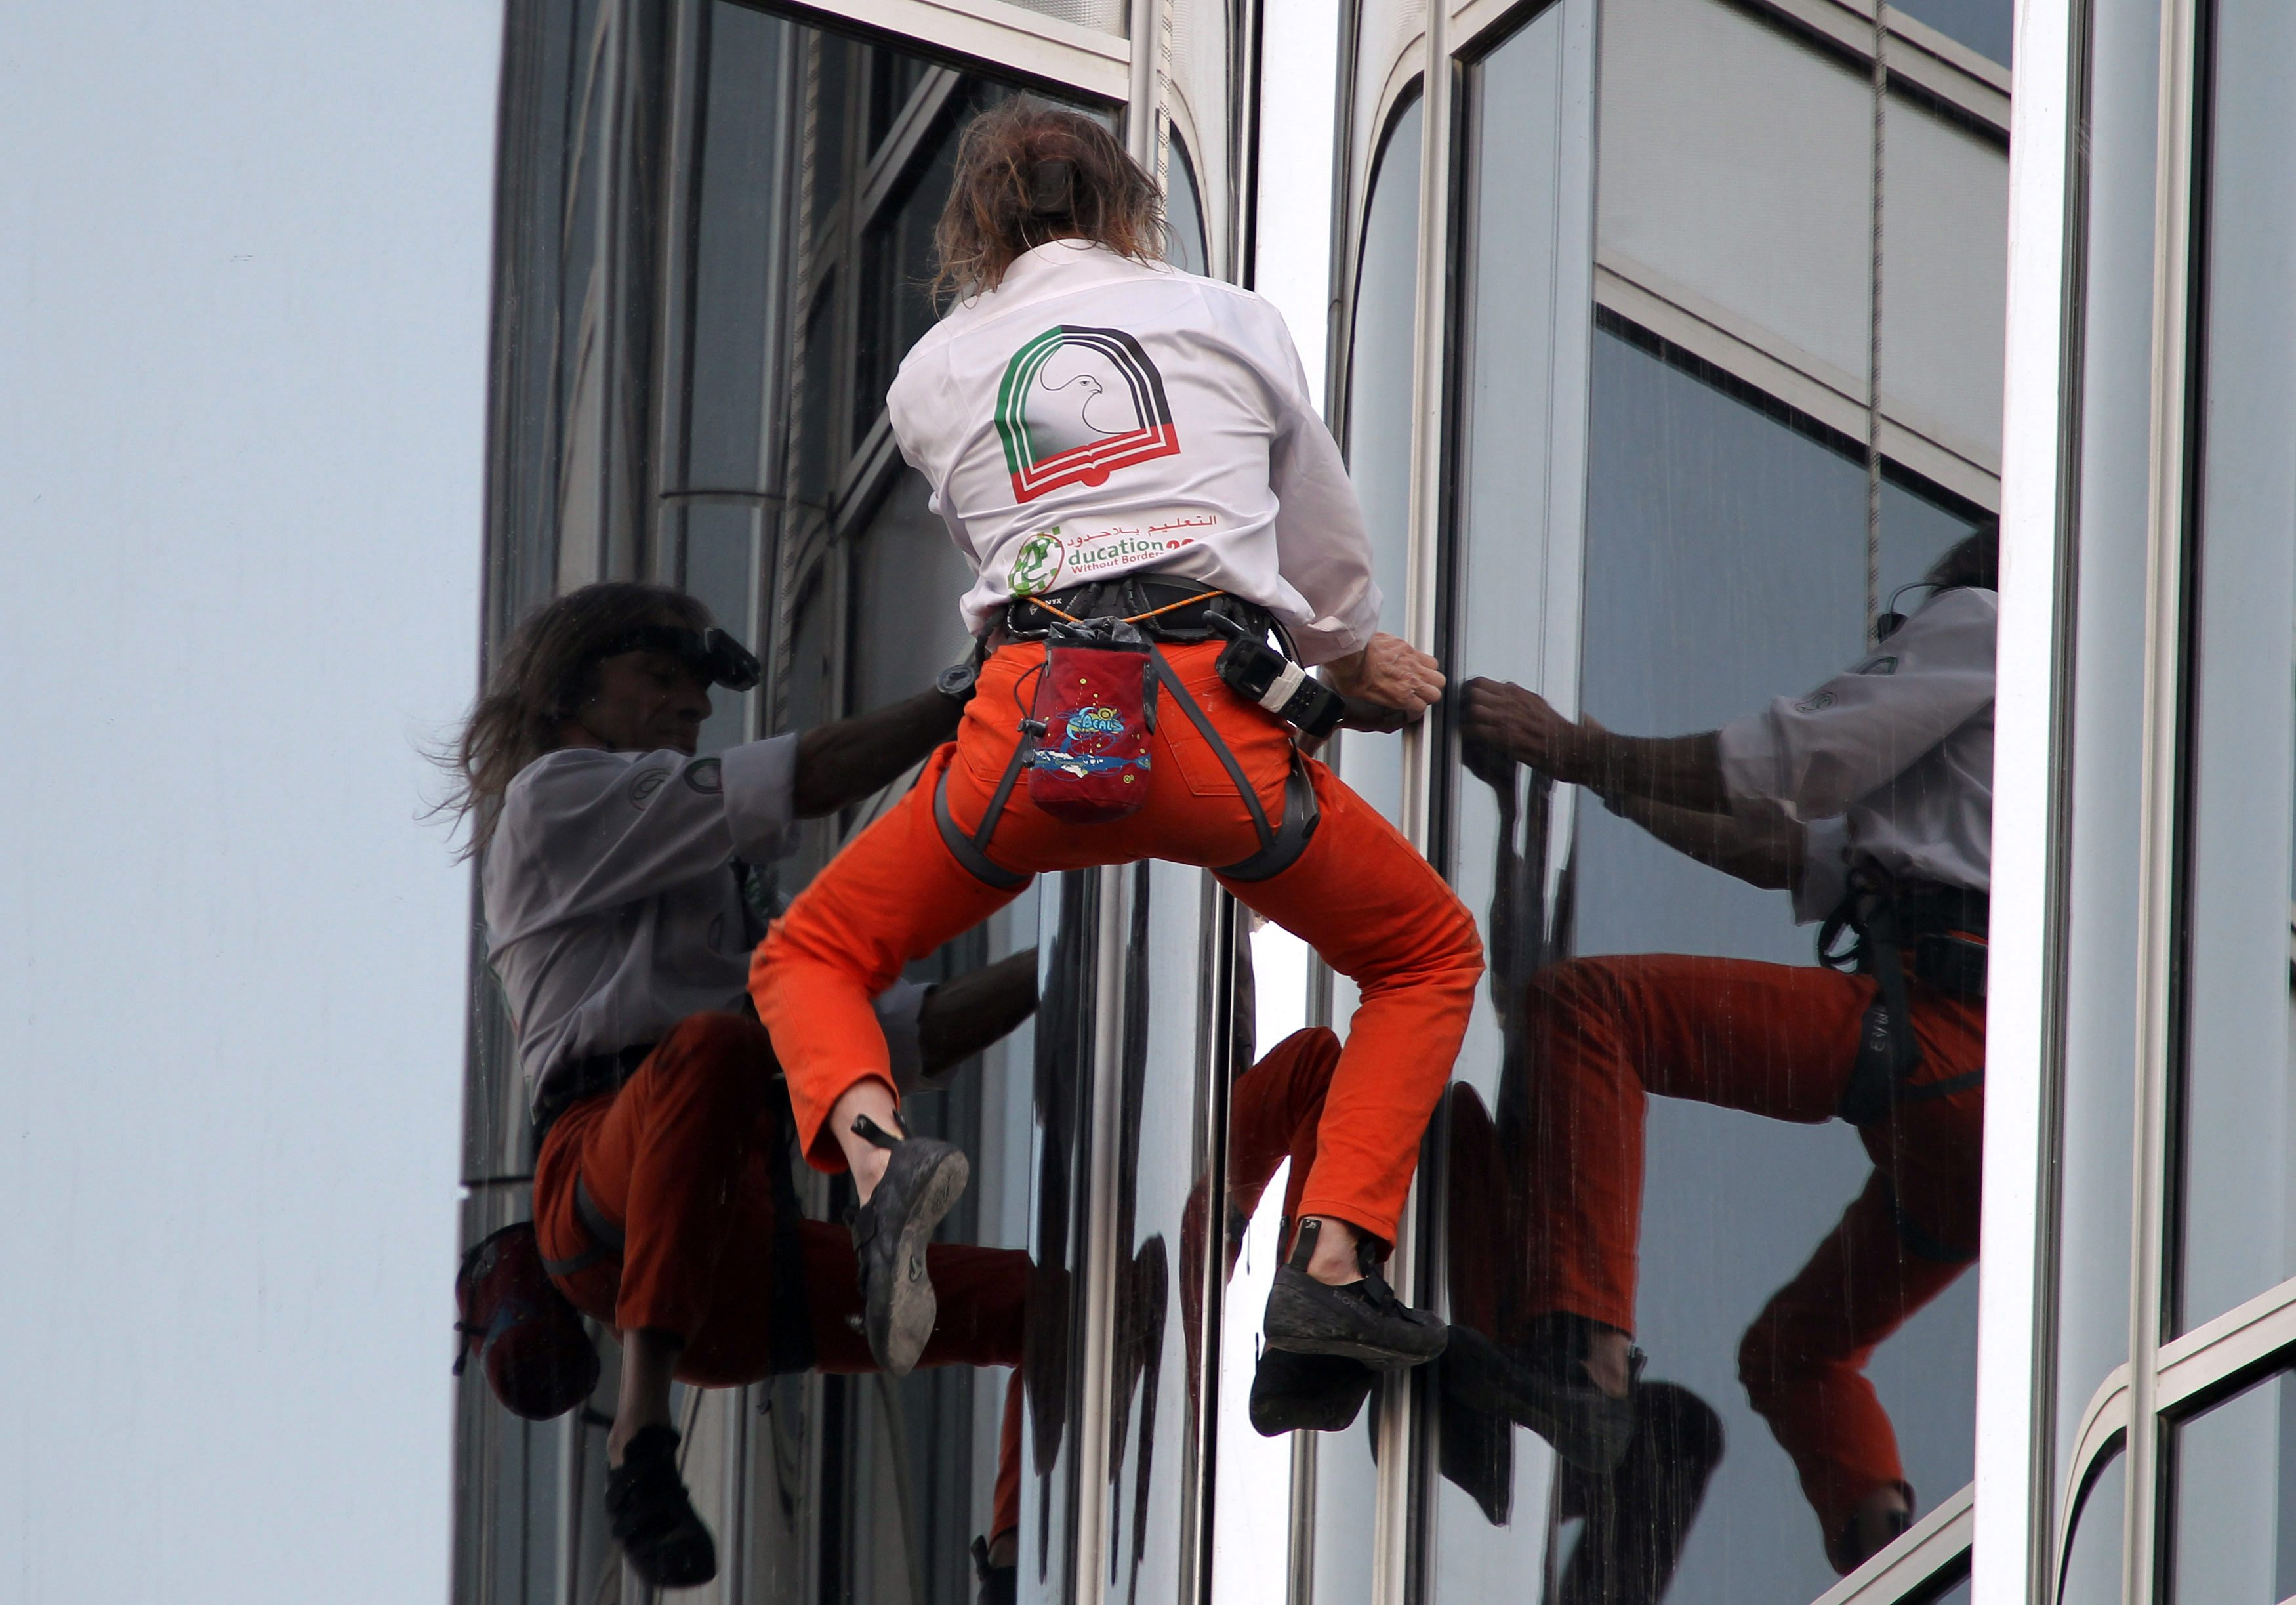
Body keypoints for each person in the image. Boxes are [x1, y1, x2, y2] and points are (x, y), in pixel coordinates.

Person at [747, 100, 1483, 1387]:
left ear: (977, 233)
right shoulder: (1226, 316)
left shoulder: (928, 376)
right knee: (1422, 952)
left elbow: (999, 525)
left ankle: (878, 1156)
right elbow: (1322, 546)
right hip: (1216, 723)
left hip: (1028, 732)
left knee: (812, 950)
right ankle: (1330, 1271)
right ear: (1125, 203)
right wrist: (1352, 653)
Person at [445, 581, 1040, 1592]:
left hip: (728, 1253)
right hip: (602, 1179)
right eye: (661, 678)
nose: (693, 705)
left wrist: (1063, 965)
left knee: (1042, 1310)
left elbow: (896, 1032)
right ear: (568, 696)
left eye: (696, 686)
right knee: (713, 1052)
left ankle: (1011, 1554)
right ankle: (640, 1425)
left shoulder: (705, 884)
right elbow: (808, 777)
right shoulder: (554, 799)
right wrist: (974, 693)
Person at [1456, 525, 1996, 1575]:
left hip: (1944, 1040)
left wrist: (1577, 751)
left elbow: (1801, 760)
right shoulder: (2020, 755)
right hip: (1989, 1127)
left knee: (1589, 1008)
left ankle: (1585, 1356)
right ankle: (1883, 1541)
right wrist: (1604, 770)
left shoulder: (1987, 624)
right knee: (1798, 1353)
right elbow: (1781, 847)